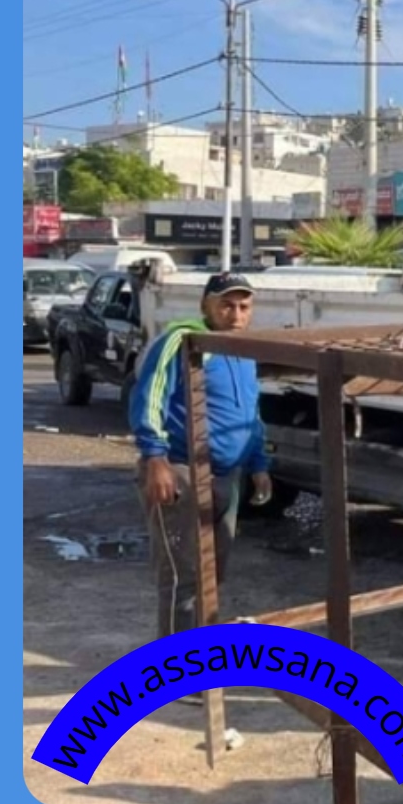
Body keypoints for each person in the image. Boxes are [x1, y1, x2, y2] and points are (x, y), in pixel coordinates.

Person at [128, 272, 271, 646]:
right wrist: (155, 459)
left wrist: (259, 464)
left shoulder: (243, 350)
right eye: (226, 305)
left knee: (212, 574)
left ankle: (201, 654)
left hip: (226, 475)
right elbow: (149, 397)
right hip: (180, 469)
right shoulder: (182, 341)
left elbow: (250, 412)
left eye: (244, 306)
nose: (236, 314)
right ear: (205, 305)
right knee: (182, 576)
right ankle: (176, 666)